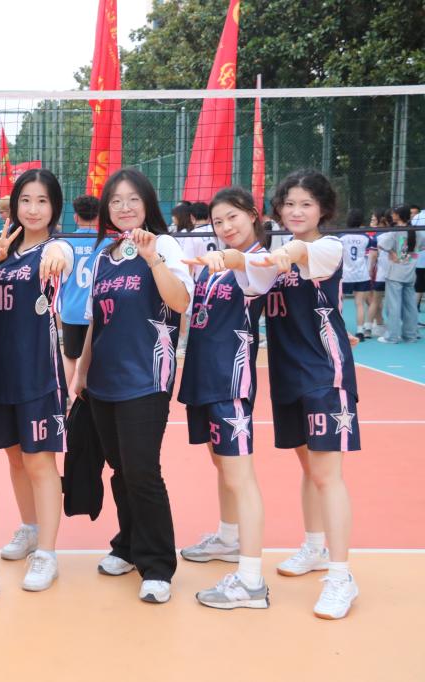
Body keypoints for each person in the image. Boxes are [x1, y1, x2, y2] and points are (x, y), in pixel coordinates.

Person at [69, 168, 193, 605]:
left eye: (133, 199)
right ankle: (127, 544)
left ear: (147, 204)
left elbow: (180, 302)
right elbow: (94, 322)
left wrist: (152, 257)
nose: (124, 207)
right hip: (103, 380)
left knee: (142, 471)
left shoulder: (166, 245)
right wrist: (81, 373)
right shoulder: (104, 255)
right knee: (120, 469)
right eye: (116, 200)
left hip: (147, 377)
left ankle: (157, 564)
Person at [259, 169, 360, 620]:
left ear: (322, 209)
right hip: (286, 374)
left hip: (324, 374)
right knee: (308, 467)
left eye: (306, 204)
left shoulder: (327, 248)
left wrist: (284, 252)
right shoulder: (274, 255)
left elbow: (303, 252)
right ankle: (315, 547)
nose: (296, 211)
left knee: (326, 474)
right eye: (289, 204)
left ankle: (341, 576)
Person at [176, 187, 277, 609]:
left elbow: (256, 272)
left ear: (253, 214)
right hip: (202, 376)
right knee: (221, 464)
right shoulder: (212, 263)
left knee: (240, 476)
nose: (226, 226)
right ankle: (229, 537)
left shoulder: (261, 261)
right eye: (218, 221)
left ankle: (251, 581)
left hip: (230, 382)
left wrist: (231, 258)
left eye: (233, 217)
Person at [0, 169, 72, 592]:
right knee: (15, 457)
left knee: (39, 461)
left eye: (42, 201)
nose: (33, 209)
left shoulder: (55, 248)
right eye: (26, 200)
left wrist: (58, 255)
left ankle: (47, 553)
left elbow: (62, 257)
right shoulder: (1, 249)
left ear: (54, 208)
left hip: (38, 371)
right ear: (14, 205)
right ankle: (31, 527)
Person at [58, 195, 110, 383]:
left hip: (70, 310)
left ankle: (63, 395)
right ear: (99, 217)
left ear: (75, 217)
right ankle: (91, 395)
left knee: (69, 356)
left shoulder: (64, 243)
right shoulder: (108, 244)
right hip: (97, 312)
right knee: (96, 359)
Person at [376, 205, 422, 344]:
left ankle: (392, 336)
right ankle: (410, 335)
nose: (392, 215)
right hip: (410, 273)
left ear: (398, 215)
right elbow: (421, 245)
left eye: (394, 213)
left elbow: (381, 244)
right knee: (410, 305)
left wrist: (392, 253)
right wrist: (412, 254)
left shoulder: (395, 231)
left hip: (396, 273)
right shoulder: (416, 231)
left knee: (393, 305)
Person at [339, 209, 374, 340]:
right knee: (359, 303)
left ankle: (339, 330)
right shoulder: (366, 237)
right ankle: (360, 331)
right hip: (361, 275)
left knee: (339, 303)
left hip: (346, 275)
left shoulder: (341, 237)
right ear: (361, 221)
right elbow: (372, 250)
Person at [367, 209, 390, 337]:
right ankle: (377, 323)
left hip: (376, 269)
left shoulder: (380, 234)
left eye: (374, 219)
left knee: (375, 299)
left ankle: (377, 323)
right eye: (371, 219)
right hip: (370, 268)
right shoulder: (370, 233)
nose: (371, 222)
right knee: (372, 299)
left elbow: (373, 254)